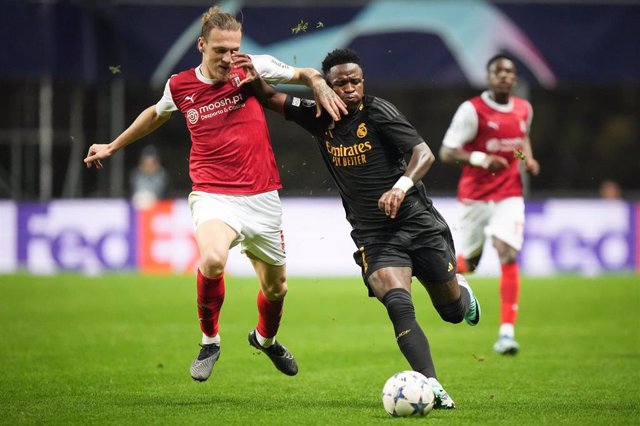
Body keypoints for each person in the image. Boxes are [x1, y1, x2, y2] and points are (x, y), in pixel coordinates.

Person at [84, 5, 347, 382]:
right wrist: (113, 145)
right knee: (211, 259)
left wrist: (317, 82)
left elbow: (304, 73)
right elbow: (157, 113)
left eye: (233, 49)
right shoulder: (180, 86)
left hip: (262, 196)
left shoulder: (251, 65)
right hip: (213, 193)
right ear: (201, 44)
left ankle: (266, 339)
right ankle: (210, 340)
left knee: (277, 289)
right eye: (220, 50)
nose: (228, 58)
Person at [243, 48, 480, 409]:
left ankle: (461, 289)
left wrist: (399, 188)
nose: (350, 88)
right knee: (399, 306)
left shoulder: (378, 112)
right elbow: (269, 96)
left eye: (356, 81)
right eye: (341, 83)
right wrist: (248, 69)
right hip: (375, 236)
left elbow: (424, 154)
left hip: (418, 224)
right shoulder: (319, 116)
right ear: (328, 85)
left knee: (451, 312)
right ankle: (433, 385)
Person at [439, 53, 540, 355]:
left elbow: (521, 140)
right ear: (489, 77)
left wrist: (528, 159)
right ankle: (450, 290)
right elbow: (446, 152)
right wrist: (481, 159)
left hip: (510, 194)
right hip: (475, 197)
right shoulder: (472, 111)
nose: (504, 76)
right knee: (468, 263)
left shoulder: (524, 109)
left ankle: (506, 333)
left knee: (507, 251)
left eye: (509, 72)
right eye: (498, 72)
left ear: (514, 77)